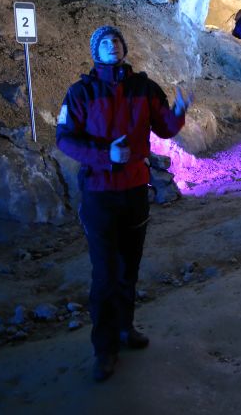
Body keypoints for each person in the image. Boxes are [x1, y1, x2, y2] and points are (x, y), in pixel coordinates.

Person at [56, 25, 192, 382]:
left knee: (129, 267)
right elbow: (65, 139)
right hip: (100, 194)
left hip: (134, 190)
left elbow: (164, 127)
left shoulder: (143, 88)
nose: (112, 45)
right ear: (94, 52)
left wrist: (177, 112)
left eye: (116, 40)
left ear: (124, 47)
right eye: (104, 42)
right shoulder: (81, 93)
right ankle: (104, 349)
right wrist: (106, 155)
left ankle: (125, 329)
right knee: (105, 274)